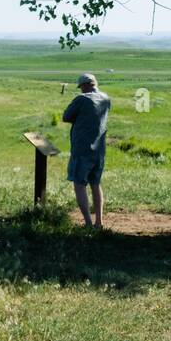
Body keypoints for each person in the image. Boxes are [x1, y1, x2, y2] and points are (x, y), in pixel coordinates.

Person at [62, 72, 111, 227]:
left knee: (79, 184)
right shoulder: (106, 98)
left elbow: (66, 116)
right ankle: (99, 222)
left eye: (81, 87)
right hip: (99, 149)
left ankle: (88, 223)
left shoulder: (82, 99)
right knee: (96, 184)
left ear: (84, 85)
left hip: (82, 148)